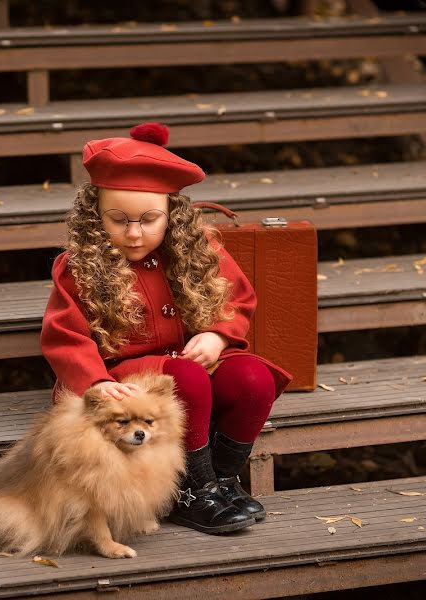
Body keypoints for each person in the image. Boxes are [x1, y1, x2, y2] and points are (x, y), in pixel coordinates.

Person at [40, 122, 293, 535]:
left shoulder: (198, 252)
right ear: (95, 216)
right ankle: (189, 490)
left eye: (148, 219)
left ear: (172, 215)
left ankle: (222, 481)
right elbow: (64, 334)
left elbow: (236, 298)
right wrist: (95, 382)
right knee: (187, 379)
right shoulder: (80, 267)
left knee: (253, 378)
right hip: (125, 375)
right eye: (118, 220)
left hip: (190, 358)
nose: (134, 233)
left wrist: (219, 334)